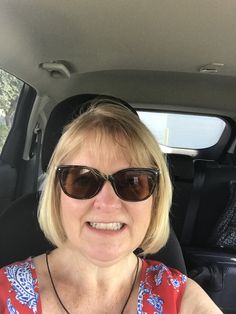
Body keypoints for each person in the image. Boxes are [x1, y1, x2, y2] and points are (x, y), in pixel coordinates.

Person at [0, 99, 222, 313]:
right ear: (56, 197)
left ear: (155, 201)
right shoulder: (4, 293)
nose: (107, 204)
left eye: (132, 182)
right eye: (83, 180)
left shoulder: (184, 299)